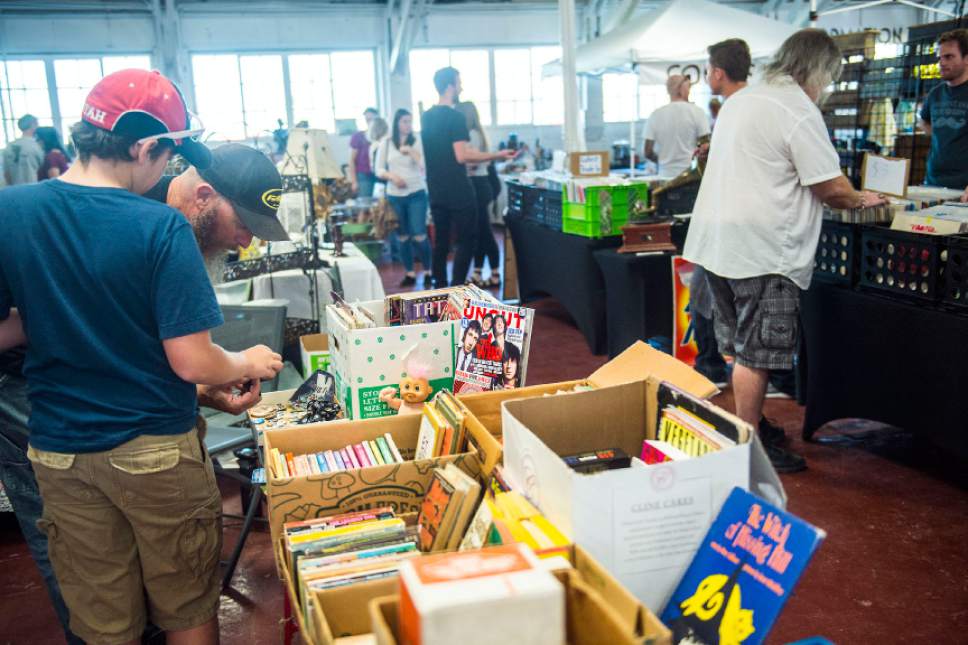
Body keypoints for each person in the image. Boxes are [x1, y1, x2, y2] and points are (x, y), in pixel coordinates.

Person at [0, 68, 284, 645]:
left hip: (59, 451)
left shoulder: (14, 210)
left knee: (103, 620)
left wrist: (62, 313)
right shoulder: (157, 225)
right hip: (151, 446)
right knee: (185, 606)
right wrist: (244, 361)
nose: (167, 169)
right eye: (167, 154)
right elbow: (192, 361)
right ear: (143, 146)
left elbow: (25, 327)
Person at [682, 29, 888, 473]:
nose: (827, 89)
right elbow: (831, 187)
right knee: (757, 354)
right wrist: (862, 199)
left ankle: (747, 423)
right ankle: (748, 445)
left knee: (740, 348)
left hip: (718, 243)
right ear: (819, 70)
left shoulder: (743, 99)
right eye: (830, 78)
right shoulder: (797, 110)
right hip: (763, 249)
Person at [692, 38, 753, 387]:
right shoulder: (738, 106)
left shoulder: (737, 107)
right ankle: (713, 364)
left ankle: (713, 366)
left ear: (718, 72)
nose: (705, 78)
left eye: (706, 71)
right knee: (706, 293)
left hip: (733, 221)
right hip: (732, 218)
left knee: (708, 293)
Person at [421, 67, 514, 287]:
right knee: (466, 240)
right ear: (450, 86)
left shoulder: (426, 117)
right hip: (458, 189)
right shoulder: (456, 117)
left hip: (435, 188)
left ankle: (440, 287)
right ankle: (456, 287)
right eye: (459, 82)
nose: (461, 87)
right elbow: (462, 155)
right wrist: (496, 154)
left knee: (441, 242)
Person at [376, 109, 432, 287]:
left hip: (416, 193)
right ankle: (409, 273)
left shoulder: (417, 140)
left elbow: (425, 165)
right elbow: (378, 169)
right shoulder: (386, 143)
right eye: (405, 122)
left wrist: (412, 152)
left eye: (410, 121)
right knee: (402, 236)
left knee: (419, 234)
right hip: (395, 195)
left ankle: (429, 271)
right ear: (396, 123)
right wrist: (393, 177)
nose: (408, 125)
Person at [455, 101, 502, 290]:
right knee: (480, 232)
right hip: (481, 185)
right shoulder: (477, 134)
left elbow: (471, 163)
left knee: (484, 232)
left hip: (478, 185)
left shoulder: (471, 135)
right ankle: (478, 270)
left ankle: (495, 272)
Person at [920, 29, 968, 191]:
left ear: (966, 59)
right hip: (933, 181)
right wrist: (943, 134)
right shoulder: (935, 94)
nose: (942, 62)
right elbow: (924, 121)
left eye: (949, 57)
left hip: (963, 187)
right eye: (940, 57)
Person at [644, 75, 710, 177]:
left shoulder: (655, 115)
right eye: (688, 88)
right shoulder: (697, 112)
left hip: (664, 175)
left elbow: (647, 152)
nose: (689, 92)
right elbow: (705, 146)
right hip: (690, 175)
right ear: (681, 89)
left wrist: (663, 160)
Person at [2, 114, 44, 186]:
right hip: (33, 188)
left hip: (14, 190)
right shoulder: (36, 146)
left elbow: (6, 174)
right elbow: (42, 170)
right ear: (33, 125)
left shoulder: (9, 146)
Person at [348, 107, 379, 197]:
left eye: (372, 119)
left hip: (380, 177)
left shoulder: (383, 138)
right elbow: (351, 161)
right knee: (365, 206)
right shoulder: (358, 136)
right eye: (368, 119)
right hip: (364, 177)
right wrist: (354, 182)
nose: (370, 122)